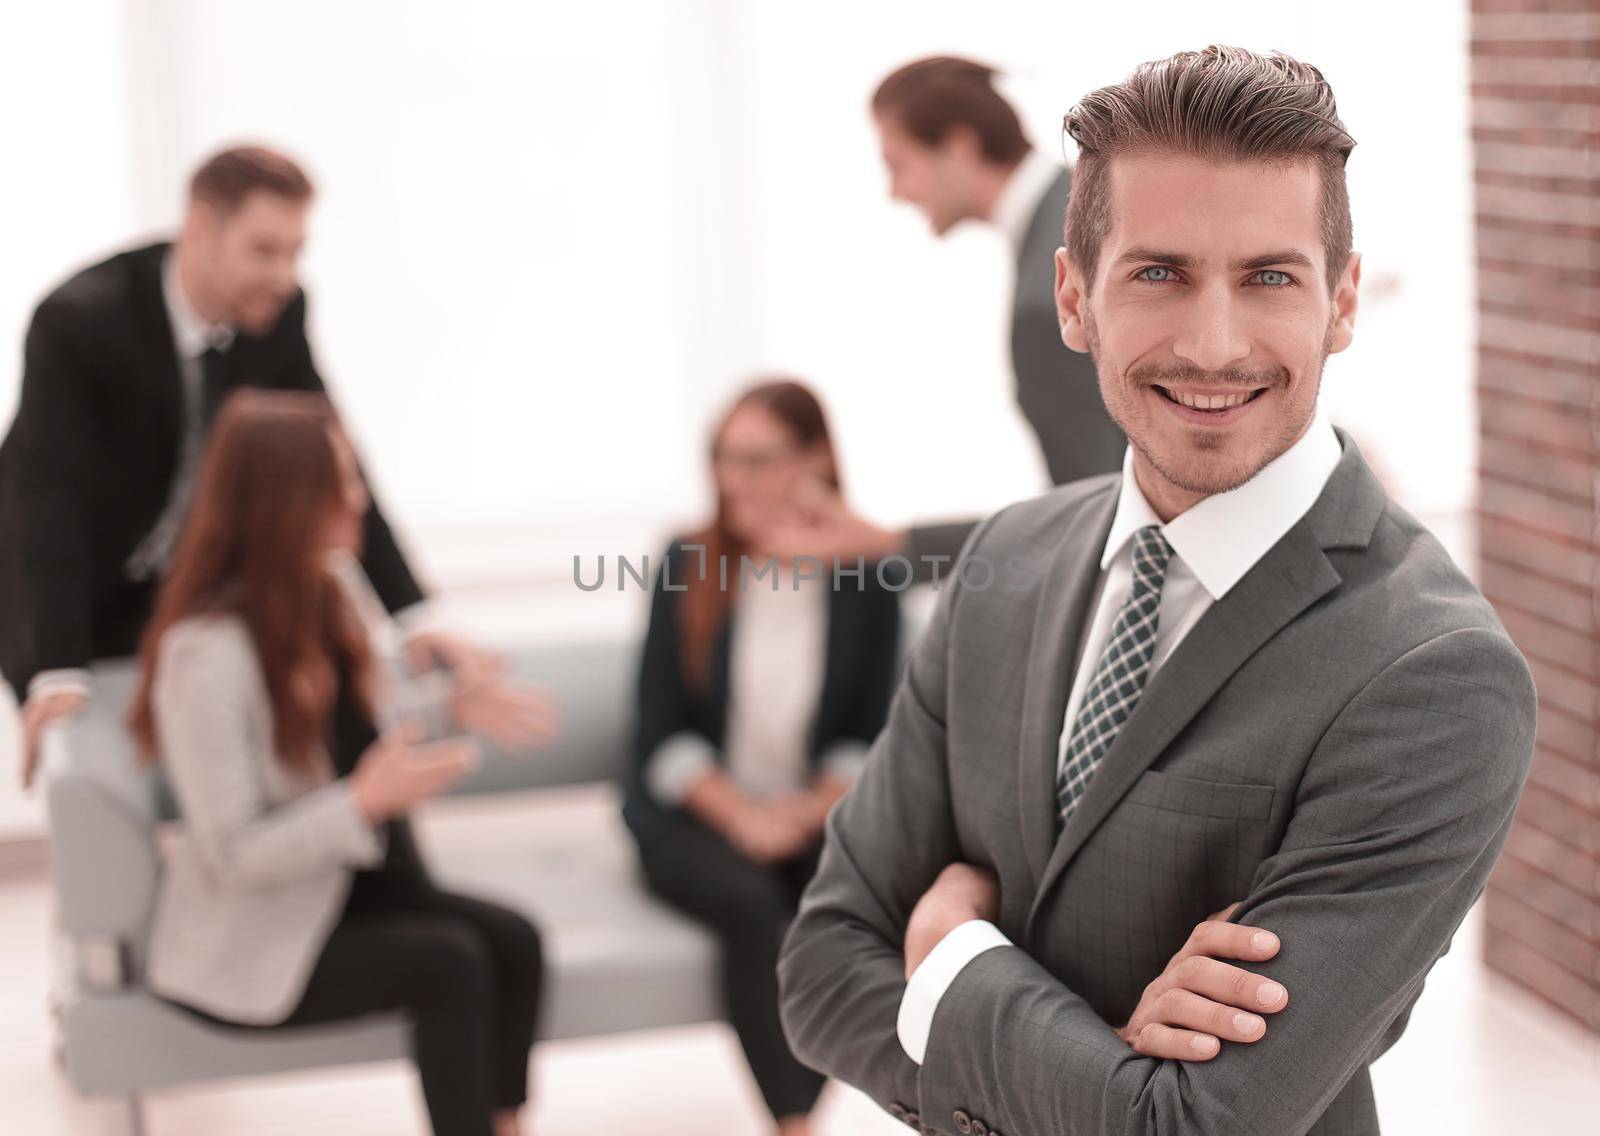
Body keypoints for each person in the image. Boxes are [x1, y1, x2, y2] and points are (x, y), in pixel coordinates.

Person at [777, 46, 1536, 1136]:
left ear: (1344, 299)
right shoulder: (1009, 563)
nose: (1213, 344)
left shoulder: (1434, 674)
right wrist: (1102, 1066)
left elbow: (1191, 1125)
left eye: (1270, 276)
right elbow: (817, 967)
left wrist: (950, 960)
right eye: (1159, 272)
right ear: (1074, 295)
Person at [0, 144, 515, 787]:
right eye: (265, 250)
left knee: (277, 705)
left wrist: (411, 616)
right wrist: (57, 667)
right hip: (61, 584)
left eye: (296, 252)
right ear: (199, 230)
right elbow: (48, 501)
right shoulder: (79, 322)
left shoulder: (279, 314)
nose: (284, 274)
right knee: (94, 762)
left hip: (180, 586)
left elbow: (333, 459)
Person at [128, 391, 551, 1136]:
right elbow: (233, 853)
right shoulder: (205, 658)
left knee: (514, 940)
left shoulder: (334, 593)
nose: (361, 499)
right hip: (257, 937)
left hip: (344, 895)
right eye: (345, 480)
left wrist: (450, 707)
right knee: (448, 961)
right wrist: (361, 805)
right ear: (290, 500)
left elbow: (361, 736)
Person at [622, 379, 903, 1136]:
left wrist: (802, 812)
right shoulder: (688, 561)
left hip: (807, 813)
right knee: (751, 908)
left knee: (836, 907)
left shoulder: (864, 572)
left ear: (813, 460)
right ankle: (795, 1126)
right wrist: (741, 816)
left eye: (756, 459)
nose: (732, 481)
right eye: (723, 459)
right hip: (696, 814)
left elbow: (868, 728)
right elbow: (658, 734)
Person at [762, 57, 1124, 579]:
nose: (895, 191)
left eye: (897, 163)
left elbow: (1096, 517)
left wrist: (896, 545)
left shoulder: (1044, 304)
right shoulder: (1084, 212)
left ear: (959, 147)